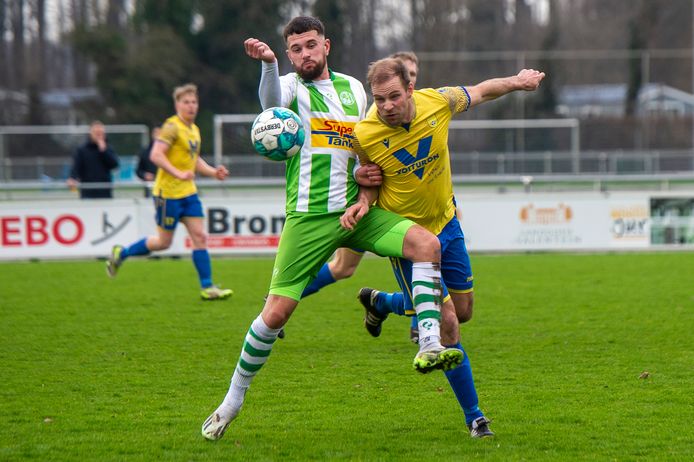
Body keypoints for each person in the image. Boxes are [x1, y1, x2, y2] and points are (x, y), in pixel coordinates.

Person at [202, 16, 458, 441]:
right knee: (275, 314)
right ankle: (232, 401)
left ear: (326, 46)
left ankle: (429, 341)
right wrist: (266, 64)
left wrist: (366, 184)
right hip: (307, 217)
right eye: (295, 48)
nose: (305, 53)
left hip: (356, 213)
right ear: (289, 55)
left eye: (311, 45)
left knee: (425, 244)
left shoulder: (354, 90)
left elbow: (366, 145)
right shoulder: (287, 86)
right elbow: (269, 108)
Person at [345, 58, 545, 437]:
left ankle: (381, 303)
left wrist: (517, 82)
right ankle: (475, 417)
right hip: (407, 238)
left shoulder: (439, 101)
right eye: (379, 99)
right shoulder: (365, 133)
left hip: (447, 225)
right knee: (448, 323)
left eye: (393, 97)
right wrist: (363, 195)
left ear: (409, 90)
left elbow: (483, 90)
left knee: (463, 310)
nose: (386, 105)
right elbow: (368, 176)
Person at [300, 51, 422, 343]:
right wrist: (359, 179)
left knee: (423, 263)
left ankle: (389, 307)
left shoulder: (421, 111)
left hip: (412, 206)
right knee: (343, 267)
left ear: (410, 83)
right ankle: (281, 297)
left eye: (414, 74)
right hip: (376, 207)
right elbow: (356, 160)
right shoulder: (376, 118)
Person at [106, 83, 233, 301]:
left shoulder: (194, 130)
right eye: (186, 102)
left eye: (194, 102)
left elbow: (194, 160)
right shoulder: (171, 127)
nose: (191, 106)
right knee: (163, 243)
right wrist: (178, 173)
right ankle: (121, 253)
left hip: (189, 193)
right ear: (177, 105)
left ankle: (208, 287)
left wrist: (214, 173)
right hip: (168, 194)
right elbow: (156, 155)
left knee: (200, 237)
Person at [67, 121, 120, 199]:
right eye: (96, 133)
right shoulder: (82, 150)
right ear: (91, 133)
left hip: (105, 192)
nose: (99, 136)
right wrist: (72, 178)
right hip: (87, 192)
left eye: (101, 133)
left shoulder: (108, 148)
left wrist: (104, 151)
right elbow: (76, 167)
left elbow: (115, 165)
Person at [135, 127, 160, 198]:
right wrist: (144, 175)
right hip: (150, 188)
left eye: (161, 133)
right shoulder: (144, 152)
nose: (158, 136)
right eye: (156, 133)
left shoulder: (170, 152)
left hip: (167, 188)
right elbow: (138, 171)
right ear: (152, 134)